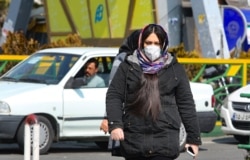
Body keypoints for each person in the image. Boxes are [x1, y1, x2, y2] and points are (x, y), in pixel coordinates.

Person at [106, 24, 201, 160]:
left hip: (165, 140)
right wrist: (115, 124)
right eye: (148, 42)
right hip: (134, 140)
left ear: (163, 45)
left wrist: (193, 138)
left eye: (157, 43)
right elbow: (114, 95)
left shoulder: (175, 69)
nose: (152, 47)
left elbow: (186, 104)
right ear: (141, 43)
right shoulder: (128, 66)